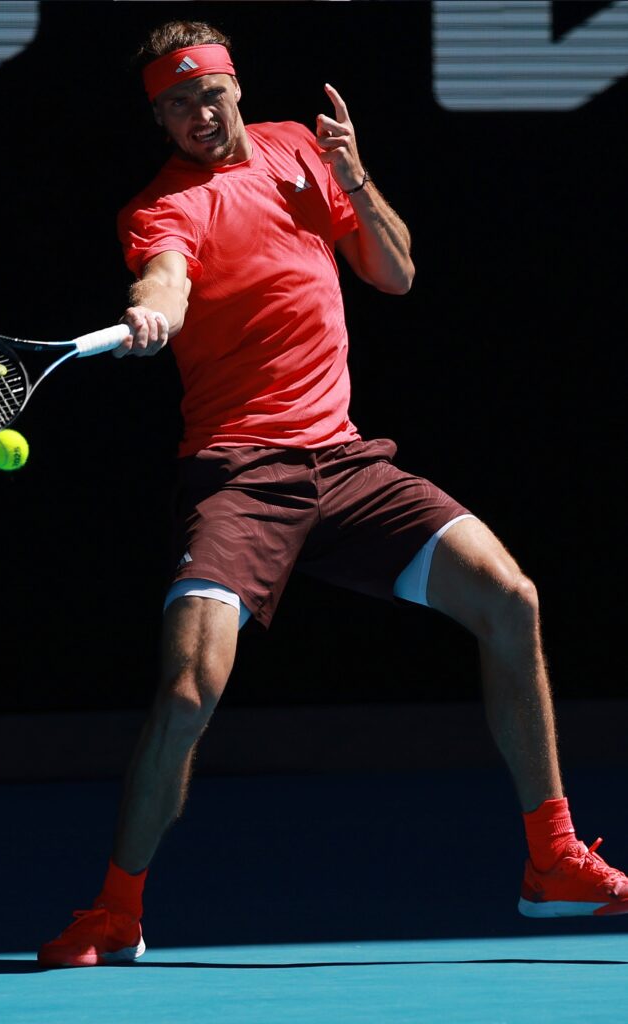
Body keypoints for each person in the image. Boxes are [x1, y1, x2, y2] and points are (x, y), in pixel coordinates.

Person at [38, 20, 627, 967]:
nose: (199, 114)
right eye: (177, 104)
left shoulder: (301, 149)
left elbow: (393, 273)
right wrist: (152, 309)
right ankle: (116, 911)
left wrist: (351, 175)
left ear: (237, 87)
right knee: (188, 688)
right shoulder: (160, 209)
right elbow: (168, 274)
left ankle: (550, 860)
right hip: (240, 475)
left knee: (509, 599)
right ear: (158, 116)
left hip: (348, 465)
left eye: (210, 94)